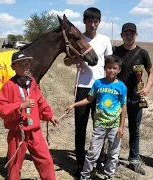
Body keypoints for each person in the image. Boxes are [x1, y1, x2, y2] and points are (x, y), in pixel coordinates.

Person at [63, 7, 113, 178]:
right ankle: (80, 163)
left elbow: (110, 63)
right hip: (83, 87)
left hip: (101, 88)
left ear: (99, 22)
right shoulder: (78, 38)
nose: (93, 24)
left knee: (100, 126)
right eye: (90, 21)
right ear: (84, 21)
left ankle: (97, 160)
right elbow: (66, 61)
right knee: (80, 127)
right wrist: (74, 60)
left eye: (96, 21)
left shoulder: (105, 40)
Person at [0, 51, 59, 180]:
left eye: (26, 64)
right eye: (20, 65)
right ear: (13, 67)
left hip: (35, 131)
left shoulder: (33, 83)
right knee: (15, 163)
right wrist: (19, 106)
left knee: (45, 159)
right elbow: (0, 107)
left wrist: (50, 115)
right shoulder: (9, 86)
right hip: (18, 132)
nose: (25, 67)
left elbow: (40, 101)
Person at [66, 55, 127, 180]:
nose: (111, 70)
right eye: (109, 67)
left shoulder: (121, 87)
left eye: (114, 68)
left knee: (113, 154)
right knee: (92, 153)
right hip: (99, 125)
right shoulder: (98, 83)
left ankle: (109, 176)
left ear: (119, 70)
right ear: (105, 68)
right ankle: (85, 175)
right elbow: (89, 99)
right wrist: (74, 104)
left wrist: (121, 126)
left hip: (114, 126)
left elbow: (123, 107)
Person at [112, 22, 153, 175]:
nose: (129, 35)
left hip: (136, 98)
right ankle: (114, 159)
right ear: (121, 35)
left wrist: (147, 88)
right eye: (126, 33)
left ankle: (134, 160)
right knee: (115, 129)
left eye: (132, 33)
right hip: (117, 98)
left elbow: (151, 73)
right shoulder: (114, 51)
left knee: (135, 129)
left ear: (136, 35)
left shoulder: (142, 53)